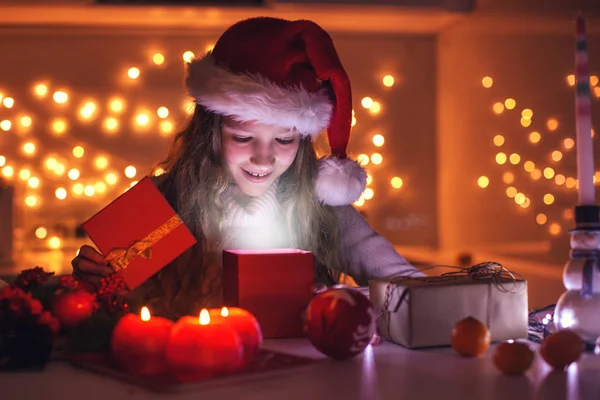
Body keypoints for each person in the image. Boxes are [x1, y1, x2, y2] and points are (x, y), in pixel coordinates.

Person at [71, 17, 420, 319]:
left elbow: (406, 285)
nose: (263, 158)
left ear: (301, 145)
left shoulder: (322, 207)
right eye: (242, 137)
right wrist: (95, 283)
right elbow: (99, 305)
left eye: (283, 141)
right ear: (210, 134)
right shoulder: (165, 199)